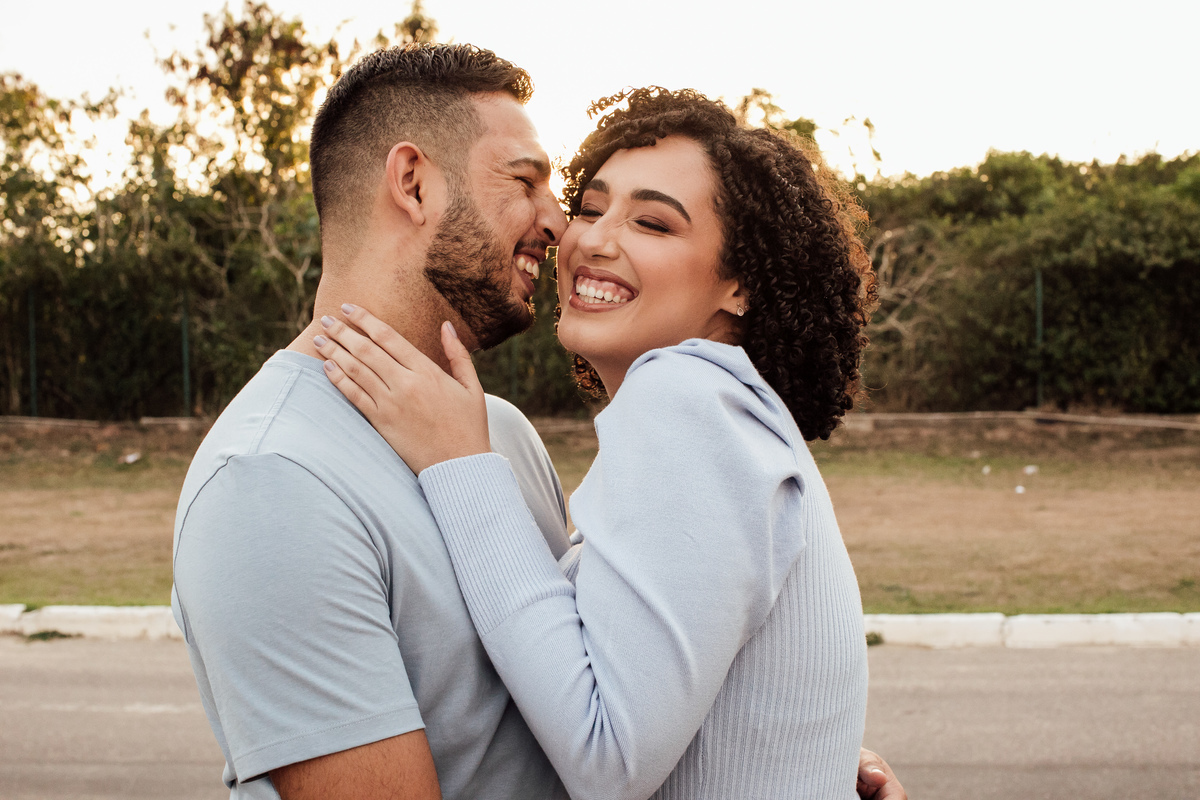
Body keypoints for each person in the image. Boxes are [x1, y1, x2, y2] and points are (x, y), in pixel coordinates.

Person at [172, 41, 905, 800]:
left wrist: (781, 749)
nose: (565, 227)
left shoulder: (500, 441)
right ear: (414, 184)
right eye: (532, 184)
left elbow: (605, 684)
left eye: (650, 222)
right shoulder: (272, 479)